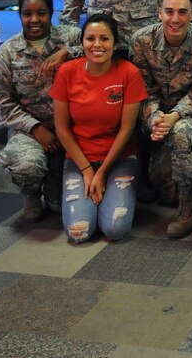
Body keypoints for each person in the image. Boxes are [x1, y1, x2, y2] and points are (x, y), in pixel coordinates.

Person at [129, 0, 192, 238]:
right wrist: (156, 118)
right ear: (159, 13)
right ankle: (177, 187)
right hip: (155, 116)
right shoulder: (141, 40)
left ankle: (187, 207)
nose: (175, 19)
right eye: (169, 12)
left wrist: (175, 116)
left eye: (182, 12)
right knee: (166, 193)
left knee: (182, 133)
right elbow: (143, 88)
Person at [51, 14, 147, 243]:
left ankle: (112, 194)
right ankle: (96, 198)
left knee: (115, 229)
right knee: (79, 232)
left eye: (104, 39)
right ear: (82, 42)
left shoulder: (128, 73)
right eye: (90, 38)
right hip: (79, 159)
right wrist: (87, 170)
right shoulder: (67, 72)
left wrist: (102, 172)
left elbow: (127, 129)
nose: (97, 45)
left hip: (120, 159)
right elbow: (61, 128)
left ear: (115, 44)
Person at [0, 0, 81, 222]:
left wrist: (67, 52)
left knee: (59, 206)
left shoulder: (71, 36)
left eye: (41, 13)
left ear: (51, 13)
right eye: (27, 14)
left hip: (72, 128)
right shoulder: (7, 52)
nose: (34, 19)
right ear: (19, 16)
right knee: (27, 167)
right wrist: (36, 128)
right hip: (30, 130)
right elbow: (1, 101)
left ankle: (53, 185)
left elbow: (98, 48)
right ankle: (30, 194)